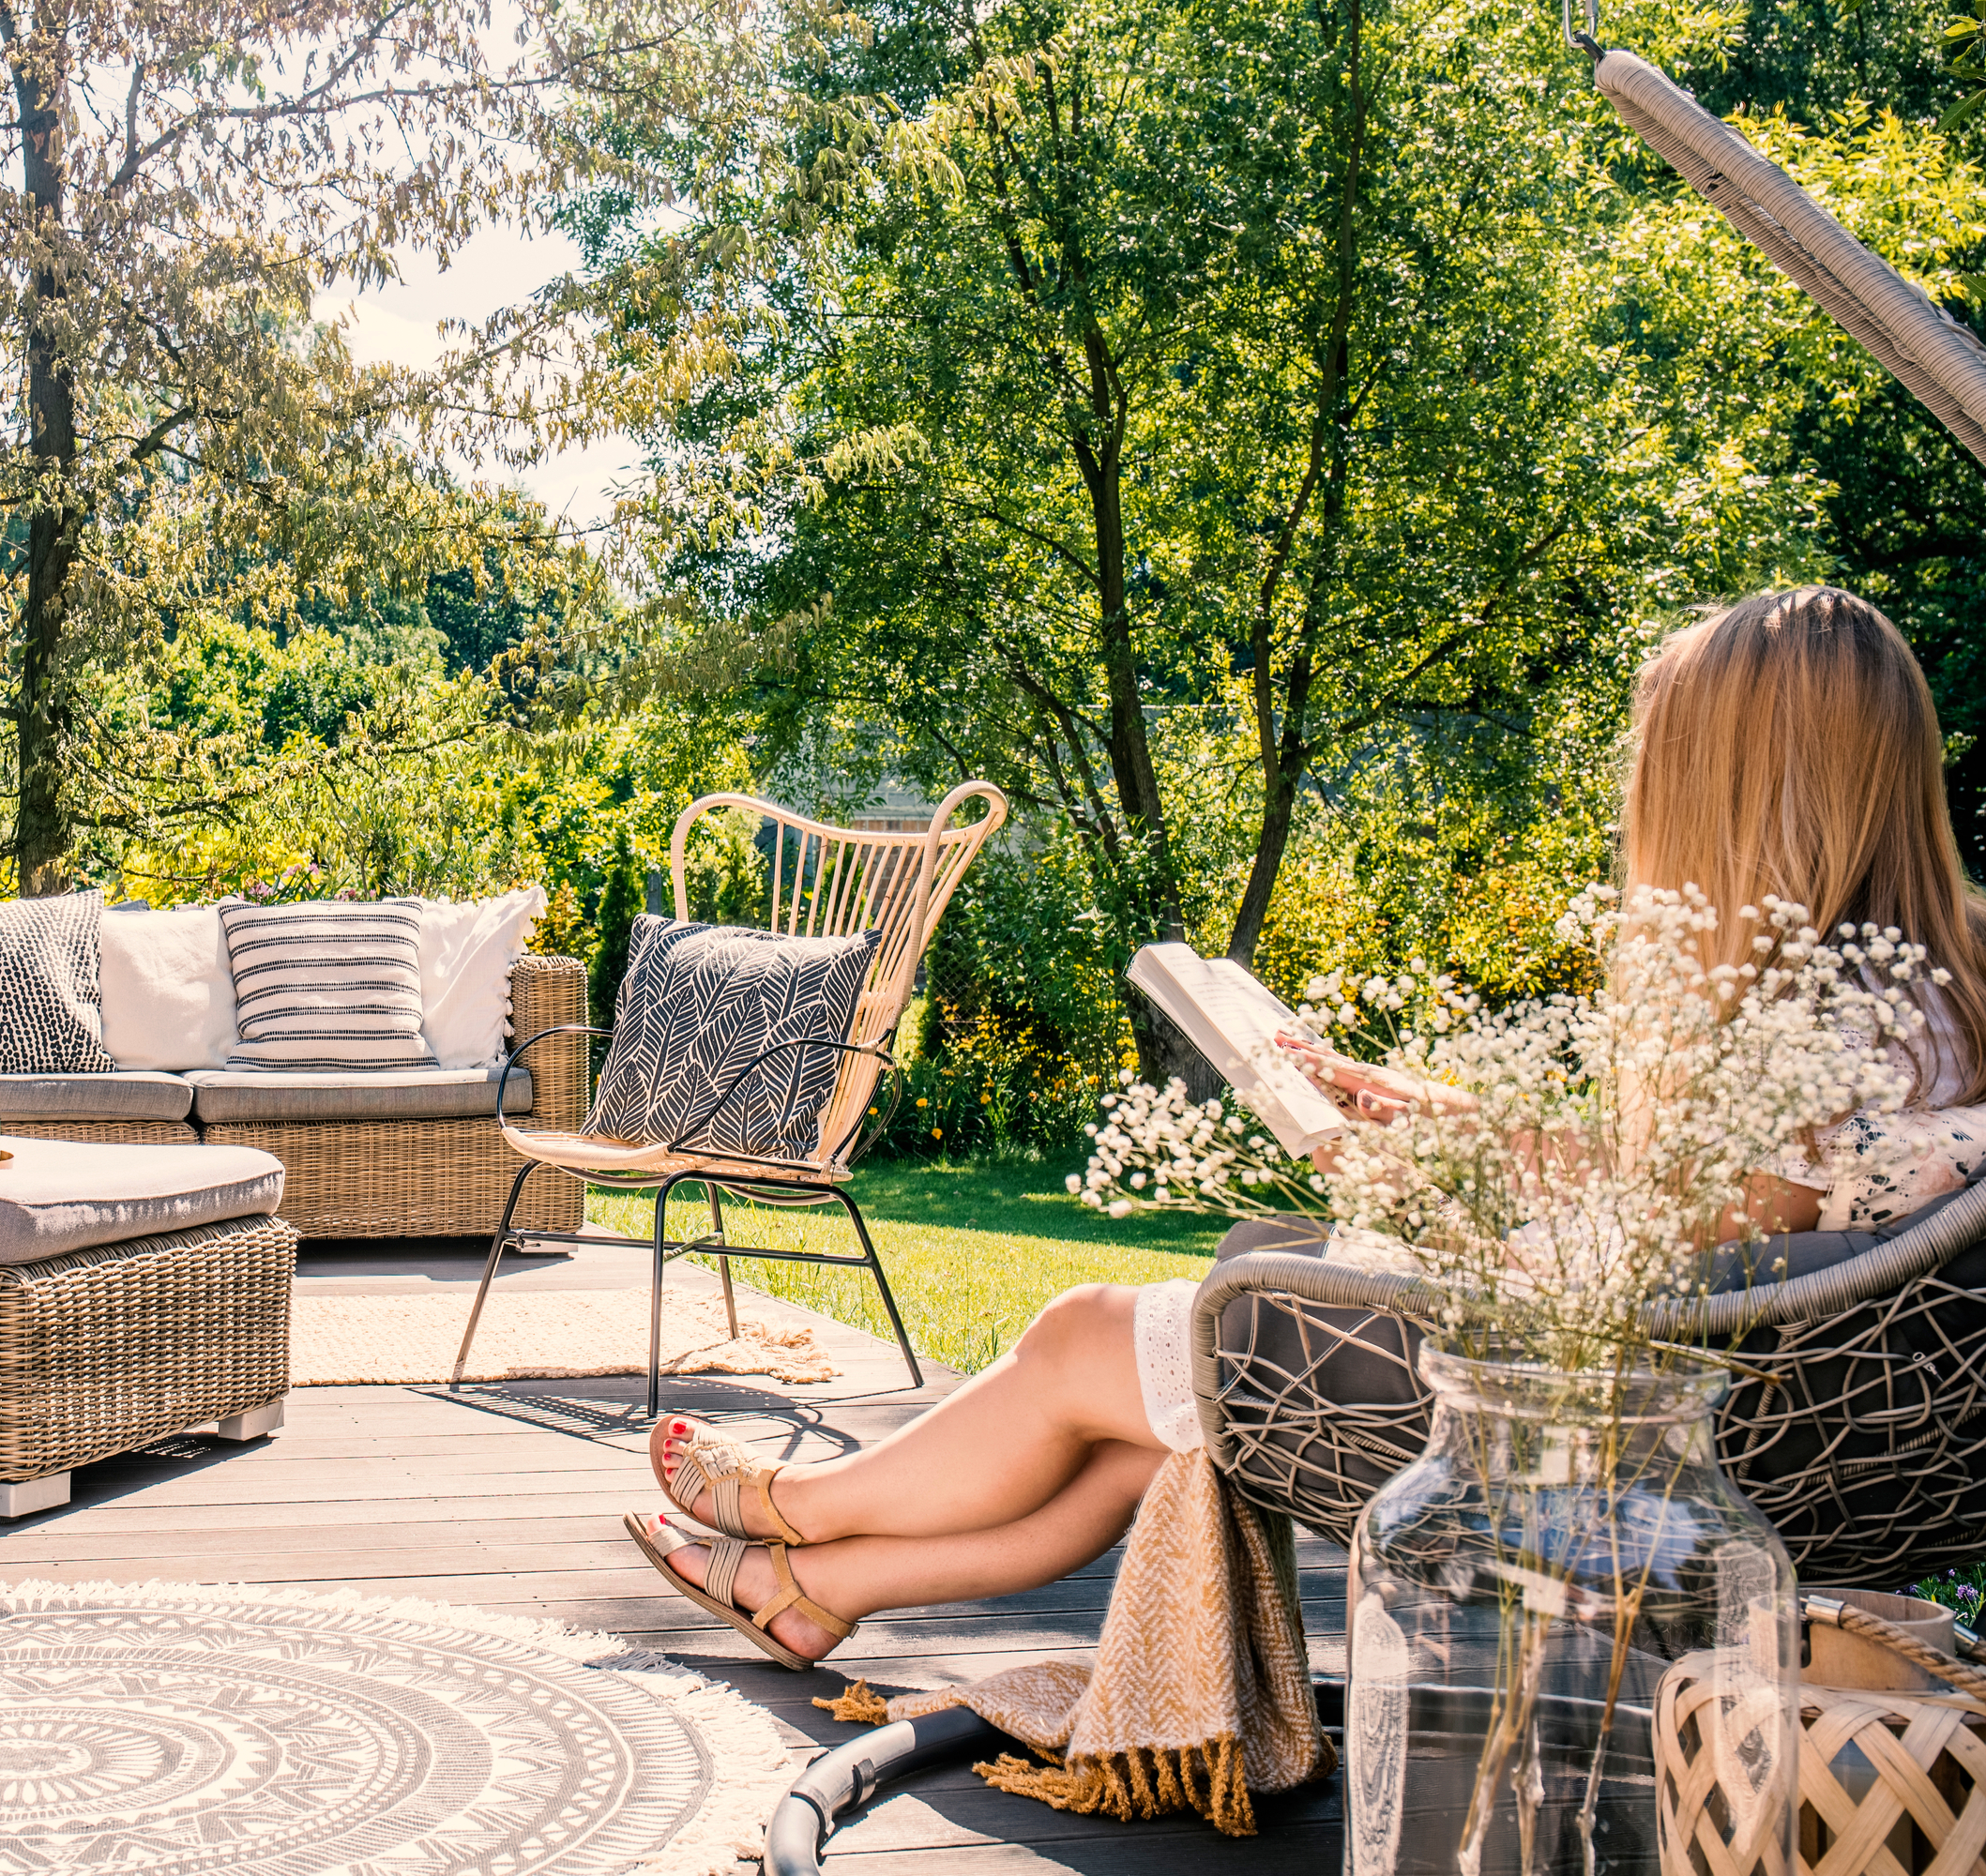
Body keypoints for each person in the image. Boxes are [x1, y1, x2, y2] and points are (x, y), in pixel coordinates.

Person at [628, 584, 1986, 1670]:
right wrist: (1476, 1122)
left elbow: (1654, 1285)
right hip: (1782, 1427)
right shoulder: (1915, 990)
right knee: (1126, 1428)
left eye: (1663, 761)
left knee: (1084, 1341)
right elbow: (1745, 1225)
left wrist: (1420, 1185)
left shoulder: (1823, 1024)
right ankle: (819, 1592)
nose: (1640, 791)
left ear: (1737, 790)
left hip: (1608, 1437)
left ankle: (796, 1511)